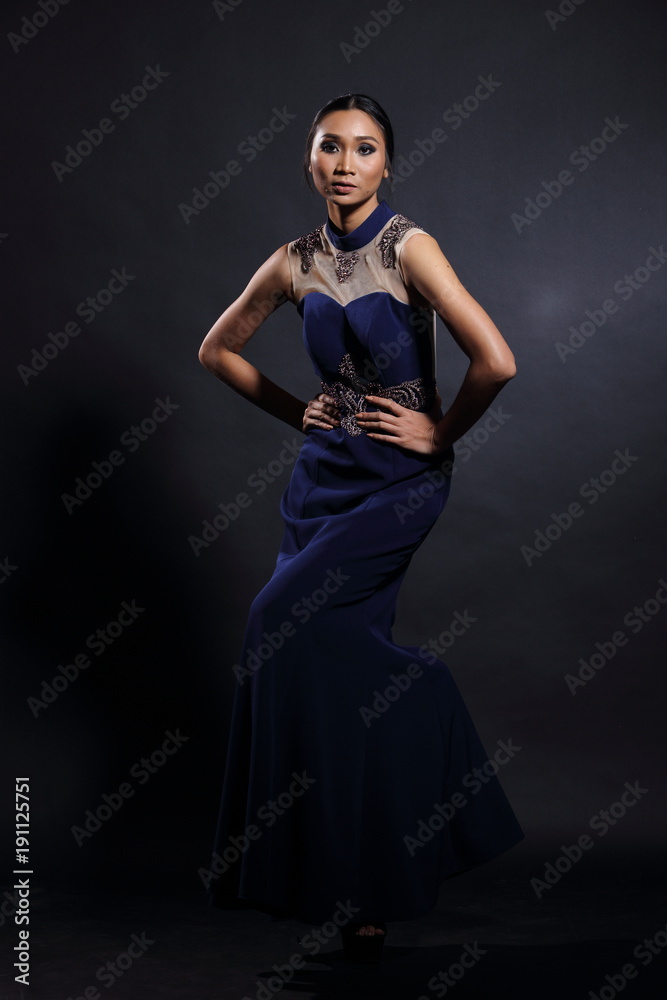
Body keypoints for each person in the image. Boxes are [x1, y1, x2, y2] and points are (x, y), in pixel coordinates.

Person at [198, 93, 524, 963]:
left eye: (364, 148)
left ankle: (434, 707)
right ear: (308, 160)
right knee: (333, 675)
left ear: (387, 162)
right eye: (329, 147)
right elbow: (216, 350)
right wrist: (295, 413)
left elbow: (495, 361)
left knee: (277, 621)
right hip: (319, 486)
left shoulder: (408, 246)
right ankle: (361, 892)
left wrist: (439, 434)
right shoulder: (293, 261)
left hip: (397, 484)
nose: (345, 163)